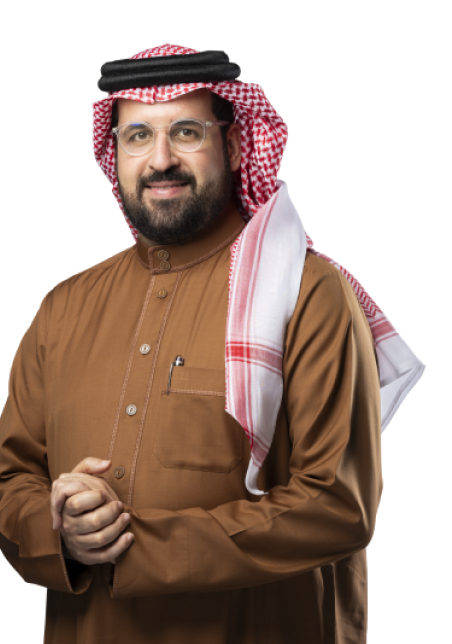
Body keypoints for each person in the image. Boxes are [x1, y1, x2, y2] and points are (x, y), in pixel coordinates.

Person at [0, 45, 425, 644]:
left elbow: (337, 505)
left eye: (186, 132)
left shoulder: (305, 293)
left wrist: (133, 547)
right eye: (138, 136)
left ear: (235, 144)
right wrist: (59, 532)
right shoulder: (62, 307)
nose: (161, 160)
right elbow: (14, 479)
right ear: (113, 152)